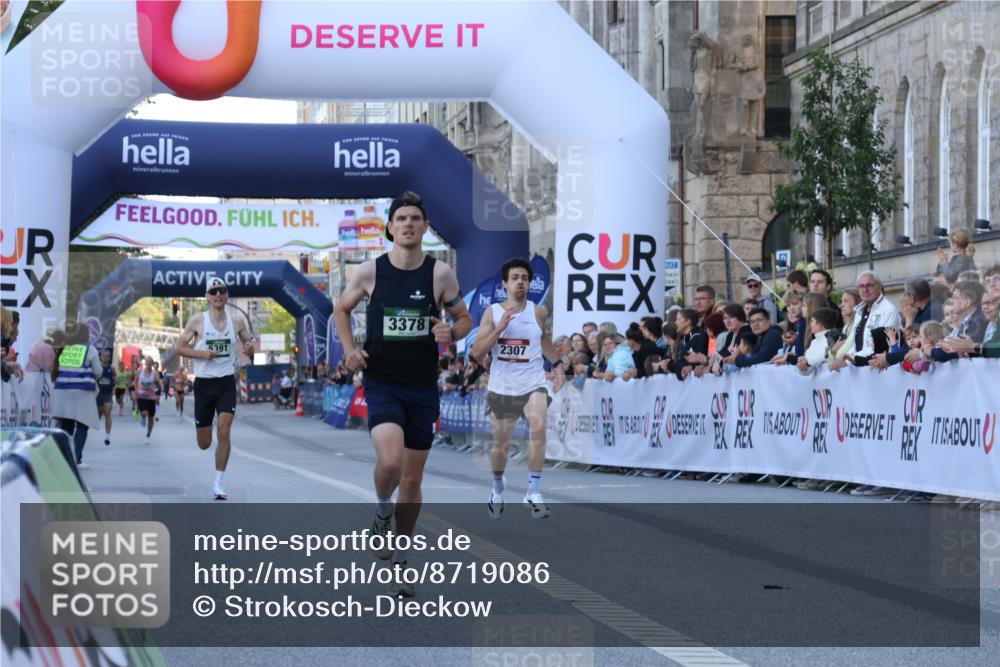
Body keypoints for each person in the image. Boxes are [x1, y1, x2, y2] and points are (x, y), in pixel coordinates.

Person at [333, 191, 472, 598]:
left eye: (416, 218)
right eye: (401, 218)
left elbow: (463, 319)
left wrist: (452, 332)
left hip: (422, 386)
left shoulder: (440, 274)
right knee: (391, 462)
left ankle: (402, 561)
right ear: (390, 227)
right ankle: (381, 511)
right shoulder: (369, 273)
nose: (409, 224)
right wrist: (350, 350)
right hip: (382, 383)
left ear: (425, 227)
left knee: (412, 480)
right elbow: (341, 310)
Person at [470, 257, 564, 521]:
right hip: (503, 386)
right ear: (505, 284)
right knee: (501, 445)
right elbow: (477, 351)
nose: (520, 282)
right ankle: (498, 486)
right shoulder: (492, 313)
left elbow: (542, 338)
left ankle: (533, 491)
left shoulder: (539, 312)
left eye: (524, 278)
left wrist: (556, 363)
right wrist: (500, 329)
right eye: (515, 278)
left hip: (533, 382)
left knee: (538, 429)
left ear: (529, 283)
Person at [176, 276, 255, 500]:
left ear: (227, 294)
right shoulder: (197, 321)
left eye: (221, 290)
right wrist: (202, 354)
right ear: (207, 297)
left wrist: (249, 347)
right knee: (204, 443)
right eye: (213, 291)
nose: (218, 294)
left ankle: (218, 483)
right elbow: (180, 348)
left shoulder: (238, 319)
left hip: (225, 381)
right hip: (203, 383)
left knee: (224, 430)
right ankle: (204, 429)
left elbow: (250, 348)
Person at [51, 323, 102, 470]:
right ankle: (76, 459)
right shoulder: (89, 350)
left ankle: (65, 457)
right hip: (82, 393)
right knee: (82, 426)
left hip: (63, 393)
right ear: (85, 336)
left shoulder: (64, 349)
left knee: (66, 427)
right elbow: (98, 371)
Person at [845, 271, 901, 368]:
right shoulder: (859, 311)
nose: (865, 290)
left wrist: (851, 359)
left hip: (882, 370)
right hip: (860, 368)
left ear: (879, 287)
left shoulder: (888, 309)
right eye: (861, 286)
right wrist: (846, 358)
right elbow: (856, 345)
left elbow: (881, 347)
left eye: (869, 285)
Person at [134, 357, 161, 445]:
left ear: (152, 364)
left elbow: (158, 384)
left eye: (150, 362)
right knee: (144, 413)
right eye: (147, 362)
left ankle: (148, 435)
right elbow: (135, 381)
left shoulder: (155, 373)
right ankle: (142, 417)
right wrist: (136, 391)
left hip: (151, 397)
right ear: (145, 363)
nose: (149, 364)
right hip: (141, 396)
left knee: (151, 418)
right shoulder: (140, 372)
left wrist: (158, 387)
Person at [95, 349, 116, 446]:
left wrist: (115, 383)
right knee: (99, 413)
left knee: (107, 413)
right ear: (100, 357)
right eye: (104, 356)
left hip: (107, 393)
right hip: (98, 393)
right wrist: (96, 378)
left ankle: (108, 436)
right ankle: (99, 415)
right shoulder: (96, 367)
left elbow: (115, 379)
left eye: (107, 356)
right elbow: (93, 378)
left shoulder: (112, 368)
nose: (106, 358)